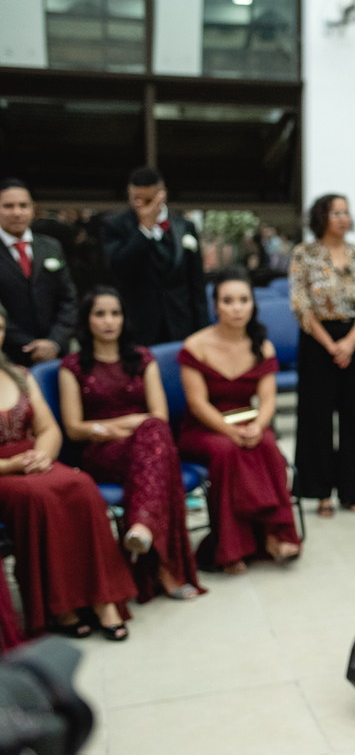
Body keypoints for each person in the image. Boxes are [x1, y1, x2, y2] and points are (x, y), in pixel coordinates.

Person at [59, 287, 202, 602]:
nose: (109, 321)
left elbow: (160, 417)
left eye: (115, 313)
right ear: (87, 320)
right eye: (100, 314)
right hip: (103, 454)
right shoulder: (72, 367)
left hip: (147, 445)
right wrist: (125, 425)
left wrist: (120, 427)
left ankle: (143, 529)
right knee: (155, 442)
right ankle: (162, 562)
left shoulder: (141, 358)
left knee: (153, 437)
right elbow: (74, 429)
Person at [0, 307, 135, 640]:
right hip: (5, 471)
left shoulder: (18, 374)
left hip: (33, 458)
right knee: (40, 497)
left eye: (0, 326)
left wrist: (43, 454)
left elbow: (47, 427)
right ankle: (61, 606)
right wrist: (11, 466)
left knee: (81, 485)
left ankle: (103, 599)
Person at [178, 268, 301, 574]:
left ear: (252, 305)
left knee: (268, 444)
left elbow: (268, 399)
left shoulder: (262, 345)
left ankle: (275, 534)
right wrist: (230, 432)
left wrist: (259, 426)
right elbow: (197, 402)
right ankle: (232, 548)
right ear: (216, 305)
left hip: (248, 422)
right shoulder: (195, 346)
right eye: (228, 301)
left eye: (243, 300)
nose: (236, 308)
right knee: (227, 451)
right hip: (203, 427)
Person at [289, 194, 355, 516]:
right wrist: (331, 345)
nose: (343, 217)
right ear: (321, 217)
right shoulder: (305, 254)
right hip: (318, 341)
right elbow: (300, 303)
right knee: (317, 418)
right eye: (335, 212)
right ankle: (320, 491)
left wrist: (350, 341)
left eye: (346, 212)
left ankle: (352, 491)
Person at [102, 166, 208, 346]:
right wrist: (144, 230)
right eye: (136, 199)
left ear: (162, 194)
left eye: (149, 200)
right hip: (138, 325)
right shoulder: (114, 225)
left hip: (181, 321)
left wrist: (202, 331)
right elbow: (118, 269)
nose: (141, 206)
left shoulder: (185, 226)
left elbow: (196, 283)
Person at [0, 180, 76, 366]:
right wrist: (29, 345)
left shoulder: (51, 246)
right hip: (9, 356)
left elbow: (69, 299)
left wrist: (54, 342)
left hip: (56, 354)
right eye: (8, 206)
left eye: (23, 205)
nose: (17, 212)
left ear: (33, 208)